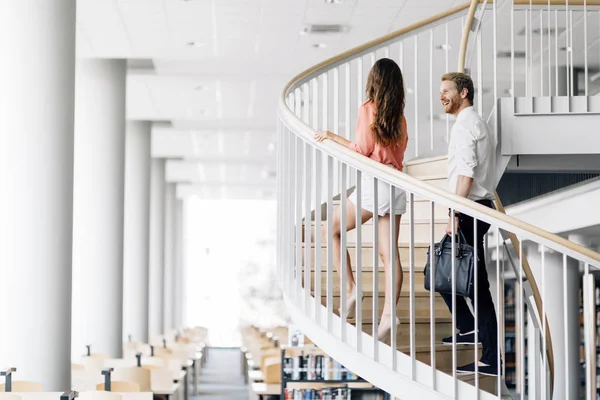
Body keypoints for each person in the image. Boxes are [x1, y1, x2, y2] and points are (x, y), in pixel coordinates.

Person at [314, 58, 409, 342]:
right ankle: (389, 315)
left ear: (374, 81)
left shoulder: (369, 108)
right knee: (388, 253)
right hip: (395, 183)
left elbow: (360, 150)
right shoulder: (400, 118)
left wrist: (331, 137)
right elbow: (397, 155)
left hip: (374, 182)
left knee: (331, 229)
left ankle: (352, 287)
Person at [439, 72, 499, 376]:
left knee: (440, 272)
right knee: (472, 284)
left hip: (469, 210)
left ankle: (486, 352)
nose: (442, 96)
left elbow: (466, 175)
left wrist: (454, 211)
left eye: (447, 91)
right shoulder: (476, 123)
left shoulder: (465, 127)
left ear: (464, 92)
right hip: (477, 209)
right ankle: (474, 335)